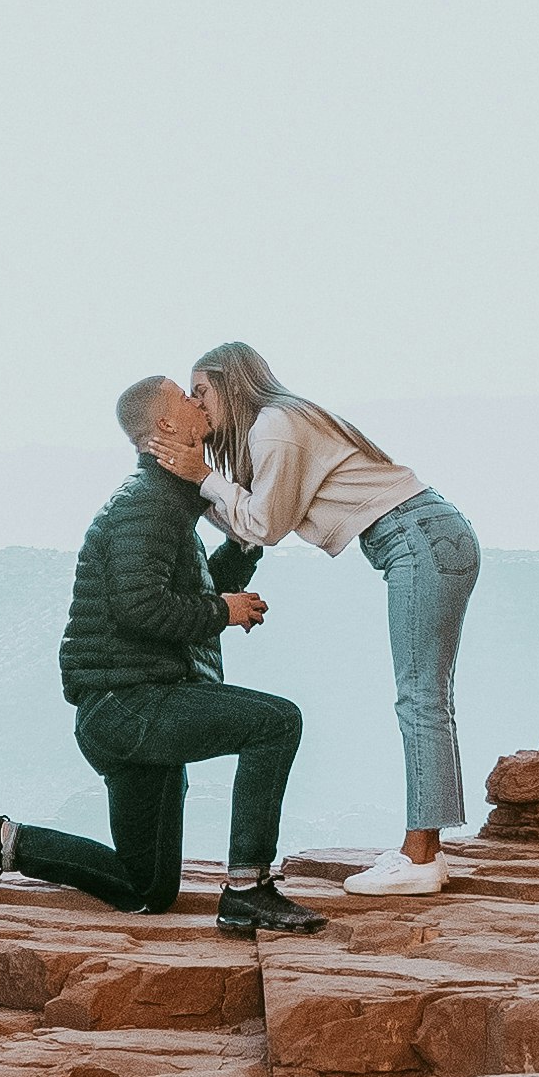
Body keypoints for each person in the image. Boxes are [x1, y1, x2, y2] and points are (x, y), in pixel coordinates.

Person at [0, 377, 327, 937]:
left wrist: (245, 543)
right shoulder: (147, 504)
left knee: (145, 888)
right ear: (167, 427)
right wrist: (222, 612)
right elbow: (139, 605)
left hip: (131, 707)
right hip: (129, 706)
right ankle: (249, 890)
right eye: (187, 397)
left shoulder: (170, 506)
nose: (200, 402)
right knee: (277, 723)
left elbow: (189, 593)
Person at [188, 342, 481, 893]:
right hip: (428, 535)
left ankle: (420, 858)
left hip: (418, 540)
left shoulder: (273, 425)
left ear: (232, 385)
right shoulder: (282, 421)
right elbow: (252, 524)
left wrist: (201, 477)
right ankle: (427, 853)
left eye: (202, 392)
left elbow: (264, 525)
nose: (197, 406)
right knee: (426, 695)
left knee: (420, 697)